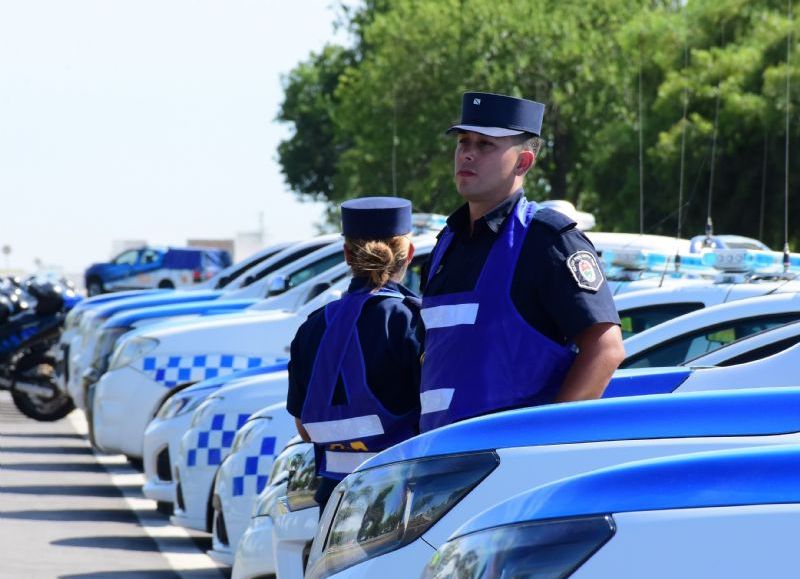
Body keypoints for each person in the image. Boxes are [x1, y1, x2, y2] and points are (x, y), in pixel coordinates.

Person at [419, 91, 626, 433]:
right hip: (440, 453)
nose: (467, 153)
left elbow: (606, 349)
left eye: (485, 145)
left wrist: (546, 440)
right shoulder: (446, 243)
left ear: (523, 162)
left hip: (509, 456)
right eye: (463, 141)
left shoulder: (546, 240)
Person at [287, 197, 422, 510]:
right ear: (409, 253)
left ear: (347, 254)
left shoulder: (312, 327)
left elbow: (304, 429)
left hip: (334, 501)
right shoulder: (412, 320)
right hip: (401, 499)